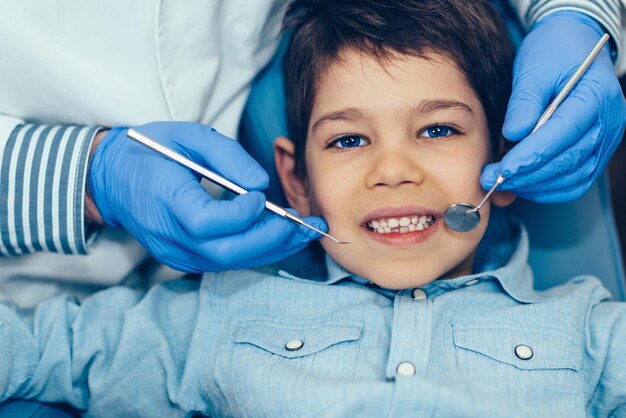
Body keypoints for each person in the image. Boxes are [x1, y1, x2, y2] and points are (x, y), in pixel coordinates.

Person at [1, 0, 625, 416]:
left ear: (517, 156)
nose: (393, 170)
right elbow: (29, 352)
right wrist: (76, 175)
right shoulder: (217, 320)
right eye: (349, 140)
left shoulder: (590, 333)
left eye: (437, 130)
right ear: (295, 181)